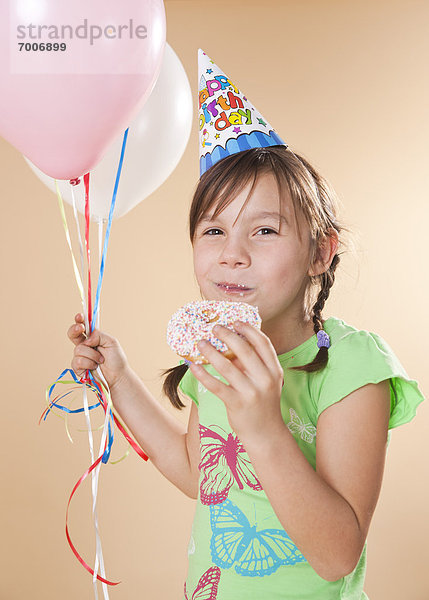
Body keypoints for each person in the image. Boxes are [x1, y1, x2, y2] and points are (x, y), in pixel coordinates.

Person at [67, 52, 425, 599]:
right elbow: (199, 473)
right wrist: (118, 377)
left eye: (263, 231)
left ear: (320, 252)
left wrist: (261, 426)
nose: (231, 255)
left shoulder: (354, 369)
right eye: (213, 231)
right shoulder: (215, 354)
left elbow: (336, 556)